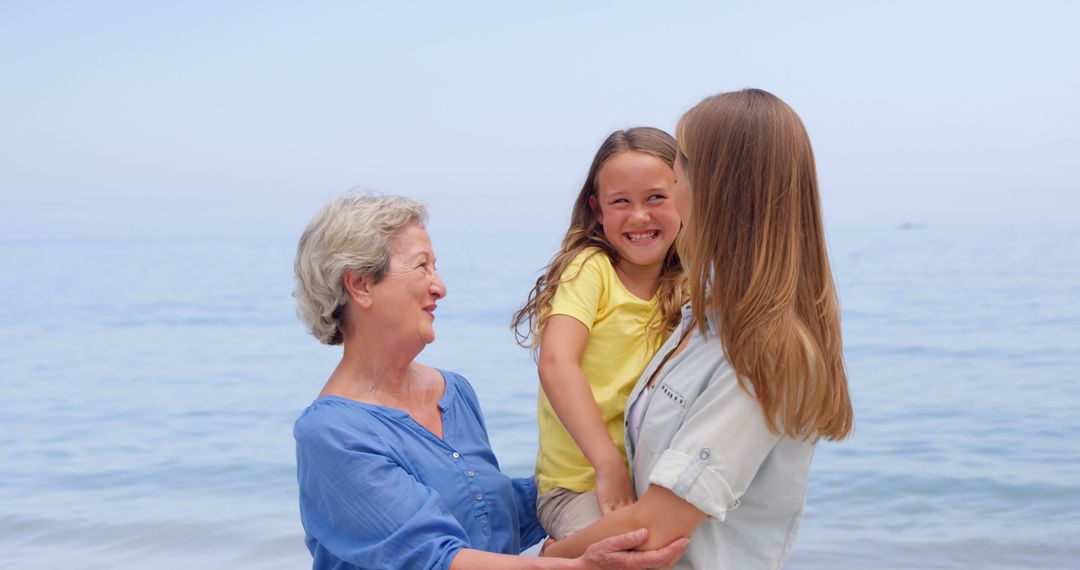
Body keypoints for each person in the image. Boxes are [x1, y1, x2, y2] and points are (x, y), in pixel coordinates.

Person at [543, 89, 855, 568]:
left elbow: (654, 527)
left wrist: (546, 558)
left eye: (679, 169)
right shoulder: (700, 319)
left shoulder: (762, 352)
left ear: (716, 190)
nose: (666, 191)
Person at [292, 193, 688, 570]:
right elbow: (437, 559)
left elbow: (489, 516)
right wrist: (573, 563)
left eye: (436, 266)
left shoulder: (453, 392)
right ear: (360, 284)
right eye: (422, 266)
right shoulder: (331, 434)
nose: (439, 286)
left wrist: (590, 472)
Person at [511, 128, 685, 540]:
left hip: (655, 482)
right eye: (620, 201)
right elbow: (556, 362)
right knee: (620, 555)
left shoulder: (691, 286)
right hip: (579, 485)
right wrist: (608, 466)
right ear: (597, 209)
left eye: (656, 198)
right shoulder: (591, 270)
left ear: (686, 196)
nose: (639, 216)